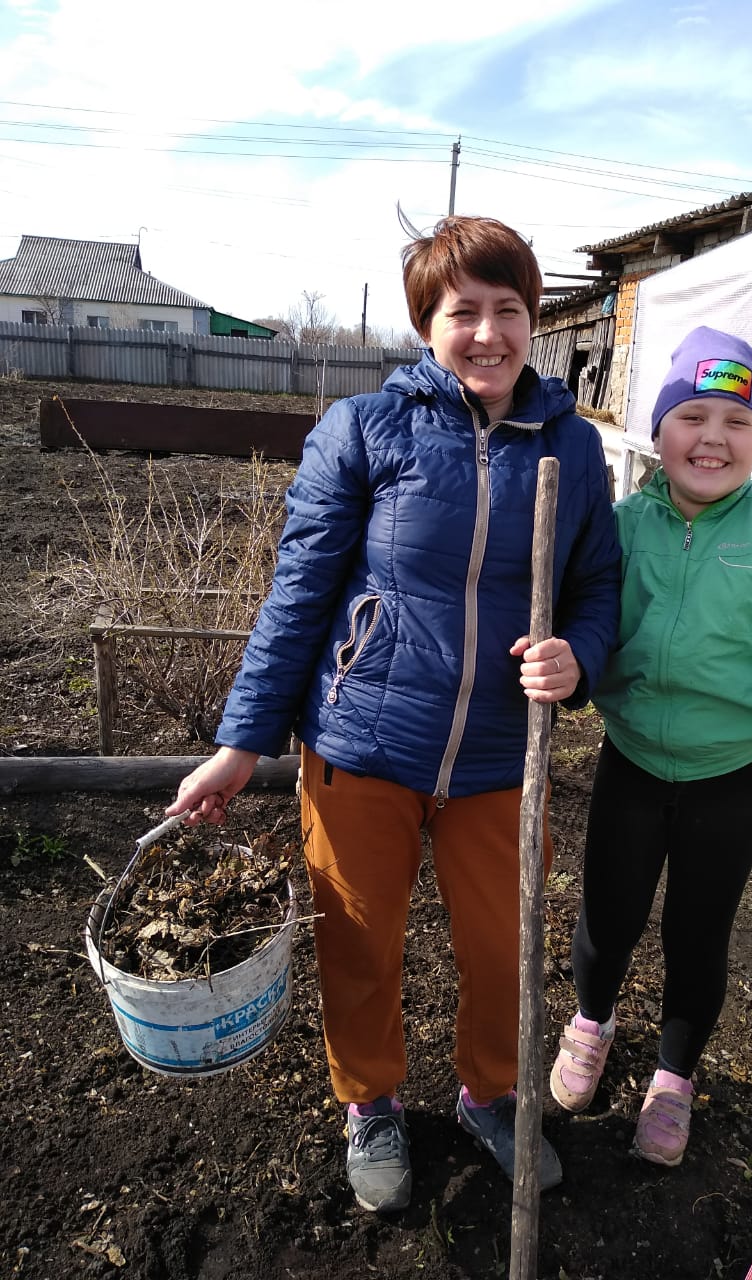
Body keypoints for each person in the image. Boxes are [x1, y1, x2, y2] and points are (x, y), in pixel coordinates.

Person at [166, 215, 621, 1213]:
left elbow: (597, 590)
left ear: (534, 321)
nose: (489, 333)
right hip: (363, 744)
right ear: (427, 325)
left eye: (510, 309)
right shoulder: (366, 428)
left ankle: (490, 1093)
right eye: (465, 312)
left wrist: (577, 654)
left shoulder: (573, 448)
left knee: (503, 948)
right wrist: (241, 743)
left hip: (502, 754)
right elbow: (298, 594)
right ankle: (369, 1100)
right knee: (360, 943)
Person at [549, 326, 752, 1167]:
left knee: (699, 932)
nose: (713, 439)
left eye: (737, 421)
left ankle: (673, 1077)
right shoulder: (621, 527)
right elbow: (590, 626)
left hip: (732, 771)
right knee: (609, 916)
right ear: (659, 431)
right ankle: (591, 1020)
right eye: (691, 416)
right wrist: (571, 664)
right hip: (631, 757)